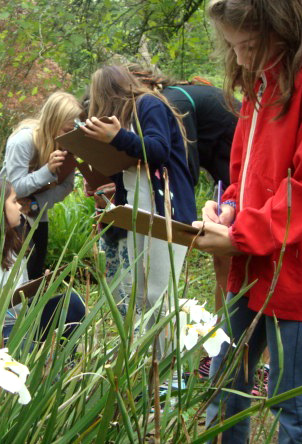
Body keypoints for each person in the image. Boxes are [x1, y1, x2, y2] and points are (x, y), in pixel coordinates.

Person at [193, 1, 302, 442]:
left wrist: (240, 234)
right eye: (232, 47)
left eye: (249, 45)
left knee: (290, 397)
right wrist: (229, 206)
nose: (238, 58)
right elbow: (247, 174)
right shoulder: (261, 90)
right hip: (252, 264)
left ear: (284, 31)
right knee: (224, 378)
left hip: (296, 271)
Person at [81, 65, 196, 360]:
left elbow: (158, 151)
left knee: (160, 295)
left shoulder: (149, 105)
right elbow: (127, 170)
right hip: (135, 213)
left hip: (166, 211)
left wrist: (117, 138)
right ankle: (148, 364)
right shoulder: (124, 122)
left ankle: (170, 368)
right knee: (139, 295)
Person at [131, 67, 241, 316]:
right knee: (222, 259)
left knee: (231, 258)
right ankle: (223, 336)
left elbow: (185, 166)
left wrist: (181, 219)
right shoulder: (171, 99)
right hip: (225, 168)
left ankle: (236, 339)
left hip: (243, 165)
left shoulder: (172, 103)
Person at [0, 178, 86, 342]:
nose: (19, 207)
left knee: (73, 303)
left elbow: (18, 301)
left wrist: (39, 289)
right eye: (14, 201)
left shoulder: (11, 245)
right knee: (23, 344)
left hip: (19, 322)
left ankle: (58, 362)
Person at [0, 92, 83, 279]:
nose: (69, 137)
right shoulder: (22, 141)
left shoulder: (67, 145)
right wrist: (47, 171)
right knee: (15, 275)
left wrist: (36, 203)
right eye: (65, 131)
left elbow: (66, 187)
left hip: (38, 215)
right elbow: (14, 187)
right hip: (10, 216)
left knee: (35, 273)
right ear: (52, 123)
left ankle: (33, 309)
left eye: (73, 131)